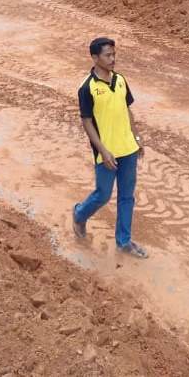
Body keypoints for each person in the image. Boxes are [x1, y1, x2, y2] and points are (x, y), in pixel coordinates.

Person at [71, 36, 148, 259]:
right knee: (103, 195)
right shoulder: (87, 88)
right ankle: (79, 214)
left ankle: (124, 242)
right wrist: (103, 151)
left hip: (128, 149)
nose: (113, 59)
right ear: (95, 57)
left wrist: (137, 138)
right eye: (108, 55)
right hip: (108, 153)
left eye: (114, 54)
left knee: (127, 196)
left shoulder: (121, 80)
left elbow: (127, 110)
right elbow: (86, 122)